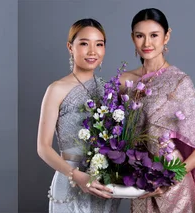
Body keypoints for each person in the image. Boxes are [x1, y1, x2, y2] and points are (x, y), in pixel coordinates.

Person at [118, 8, 195, 213]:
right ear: (132, 38)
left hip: (172, 184)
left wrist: (169, 178)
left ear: (167, 36)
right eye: (140, 36)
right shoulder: (124, 82)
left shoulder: (179, 82)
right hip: (138, 182)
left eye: (154, 35)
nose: (147, 43)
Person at [37, 18, 123, 213]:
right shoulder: (57, 89)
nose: (92, 51)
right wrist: (76, 176)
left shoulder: (109, 91)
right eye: (84, 43)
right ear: (70, 47)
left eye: (99, 44)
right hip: (71, 181)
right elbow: (43, 148)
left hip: (103, 183)